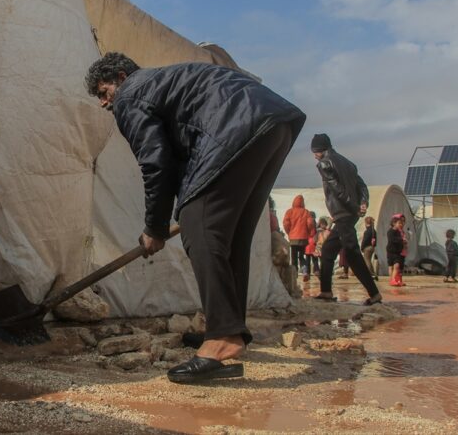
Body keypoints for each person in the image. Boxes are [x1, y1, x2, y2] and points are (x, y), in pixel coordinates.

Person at [85, 52, 306, 383]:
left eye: (103, 93)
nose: (104, 104)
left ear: (120, 76)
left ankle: (222, 339)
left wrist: (154, 228)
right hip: (273, 123)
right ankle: (227, 328)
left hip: (236, 125)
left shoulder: (131, 93)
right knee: (231, 237)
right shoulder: (165, 81)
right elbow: (174, 164)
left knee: (198, 223)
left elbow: (155, 163)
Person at [310, 134, 381, 305]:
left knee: (353, 254)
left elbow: (337, 189)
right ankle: (326, 291)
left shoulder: (324, 163)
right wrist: (363, 202)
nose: (314, 156)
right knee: (328, 250)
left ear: (321, 150)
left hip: (343, 213)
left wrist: (353, 206)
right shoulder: (348, 163)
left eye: (315, 152)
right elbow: (362, 186)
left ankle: (374, 294)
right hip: (349, 214)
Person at [283, 195, 314, 283]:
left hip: (293, 239)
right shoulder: (306, 212)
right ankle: (304, 272)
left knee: (294, 258)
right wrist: (308, 232)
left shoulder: (289, 212)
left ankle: (294, 275)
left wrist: (289, 232)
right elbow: (310, 223)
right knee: (301, 256)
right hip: (303, 238)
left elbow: (286, 223)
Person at [386, 213, 407, 287]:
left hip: (398, 252)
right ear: (394, 223)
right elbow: (392, 240)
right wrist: (401, 240)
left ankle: (395, 280)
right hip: (392, 251)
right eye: (400, 223)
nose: (401, 224)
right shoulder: (391, 231)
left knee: (397, 266)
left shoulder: (400, 232)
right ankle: (392, 280)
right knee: (392, 266)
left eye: (402, 222)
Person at [361, 216, 378, 280]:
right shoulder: (373, 230)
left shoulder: (367, 231)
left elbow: (365, 240)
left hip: (367, 247)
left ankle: (371, 274)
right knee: (369, 261)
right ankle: (373, 273)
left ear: (366, 222)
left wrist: (362, 247)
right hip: (372, 247)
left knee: (367, 261)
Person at [304, 211, 319, 281]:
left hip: (307, 242)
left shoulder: (306, 221)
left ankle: (307, 273)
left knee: (307, 260)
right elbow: (314, 233)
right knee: (315, 259)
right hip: (313, 242)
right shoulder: (314, 222)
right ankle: (316, 270)